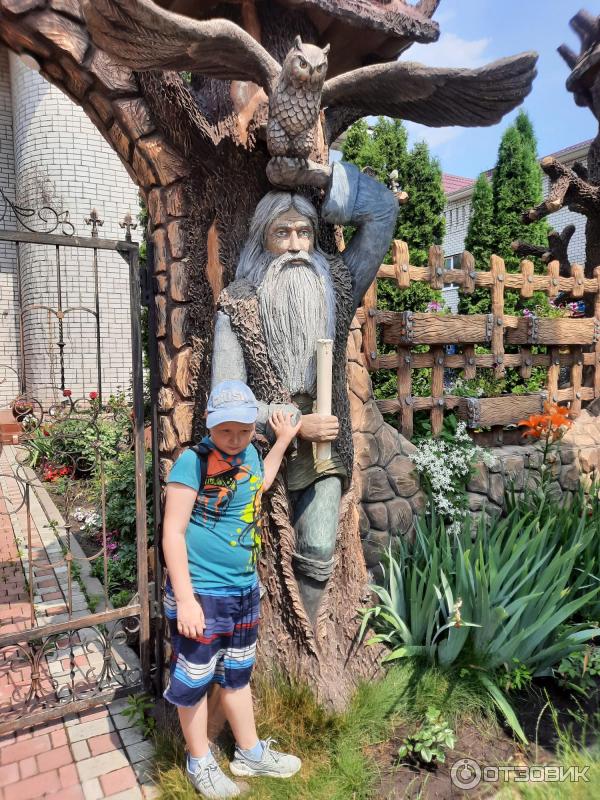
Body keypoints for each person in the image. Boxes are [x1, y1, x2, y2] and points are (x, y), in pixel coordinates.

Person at [211, 159, 399, 621]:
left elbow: (383, 211)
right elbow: (224, 403)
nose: (295, 247)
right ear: (263, 239)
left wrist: (320, 175)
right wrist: (296, 424)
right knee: (246, 551)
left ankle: (309, 634)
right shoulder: (238, 304)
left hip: (324, 446)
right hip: (255, 449)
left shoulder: (336, 287)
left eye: (304, 233)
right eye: (282, 234)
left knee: (317, 545)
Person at [162, 379, 302, 799]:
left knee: (237, 676)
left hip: (243, 590)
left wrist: (282, 441)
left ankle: (249, 752)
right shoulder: (193, 463)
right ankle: (199, 761)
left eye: (244, 430)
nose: (236, 439)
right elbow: (172, 533)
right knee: (194, 679)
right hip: (202, 593)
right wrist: (185, 600)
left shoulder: (251, 454)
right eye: (226, 431)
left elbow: (261, 482)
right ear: (209, 422)